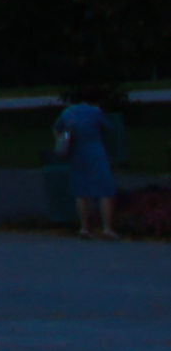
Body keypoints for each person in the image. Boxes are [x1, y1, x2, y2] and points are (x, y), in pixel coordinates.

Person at [54, 87, 127, 241]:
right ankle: (107, 228)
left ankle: (84, 228)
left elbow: (57, 129)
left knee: (81, 192)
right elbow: (108, 127)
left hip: (76, 154)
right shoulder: (96, 112)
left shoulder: (68, 112)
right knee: (105, 191)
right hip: (95, 152)